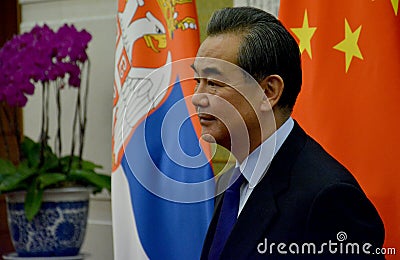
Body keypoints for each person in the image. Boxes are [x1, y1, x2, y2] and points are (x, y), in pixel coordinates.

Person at [191, 7, 384, 259]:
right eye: (197, 81)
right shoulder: (230, 182)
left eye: (214, 83)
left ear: (269, 92)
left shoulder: (328, 198)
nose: (197, 98)